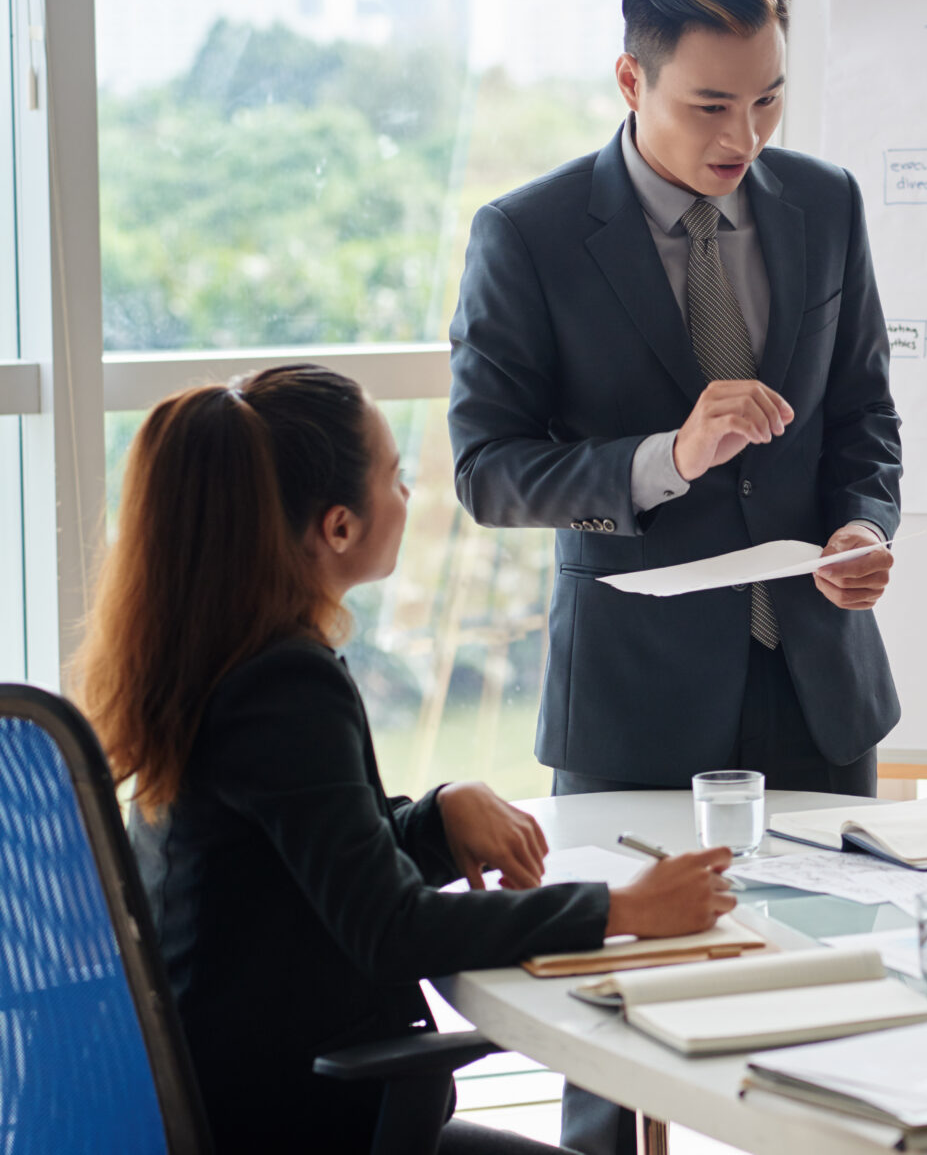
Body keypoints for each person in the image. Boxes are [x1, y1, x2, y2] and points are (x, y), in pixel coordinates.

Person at [445, 0, 900, 1154]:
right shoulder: (528, 234)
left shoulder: (826, 203)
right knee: (616, 1031)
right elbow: (486, 469)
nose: (741, 134)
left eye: (766, 99)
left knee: (835, 1008)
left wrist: (865, 523)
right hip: (635, 698)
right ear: (628, 80)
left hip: (815, 676)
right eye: (709, 103)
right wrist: (662, 457)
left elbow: (864, 416)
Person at [73, 365, 737, 1155]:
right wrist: (623, 909)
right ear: (339, 526)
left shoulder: (219, 656)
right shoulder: (285, 685)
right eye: (393, 477)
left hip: (230, 1100)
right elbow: (391, 928)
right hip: (297, 1120)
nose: (409, 496)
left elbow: (314, 855)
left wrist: (435, 817)